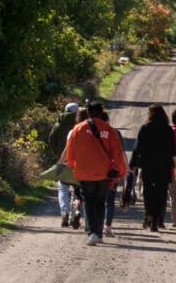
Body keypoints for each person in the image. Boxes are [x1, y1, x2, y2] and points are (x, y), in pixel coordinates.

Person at [66, 101, 128, 246]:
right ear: (101, 113)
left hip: (84, 172)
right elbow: (117, 154)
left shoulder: (78, 129)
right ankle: (98, 233)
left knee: (88, 201)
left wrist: (71, 165)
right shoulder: (109, 130)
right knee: (100, 202)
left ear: (88, 113)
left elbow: (70, 153)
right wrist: (121, 171)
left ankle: (92, 232)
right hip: (104, 173)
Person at [130, 104, 176, 232]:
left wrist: (132, 165)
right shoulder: (168, 130)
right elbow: (173, 151)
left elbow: (137, 149)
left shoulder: (145, 128)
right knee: (161, 194)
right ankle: (156, 220)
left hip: (148, 165)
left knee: (148, 192)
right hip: (164, 166)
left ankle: (149, 214)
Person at [53, 103, 80, 227]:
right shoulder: (80, 125)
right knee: (77, 189)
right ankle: (75, 211)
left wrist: (56, 153)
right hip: (79, 163)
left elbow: (51, 138)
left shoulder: (59, 123)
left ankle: (64, 213)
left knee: (62, 188)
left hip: (63, 161)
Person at [102, 112, 126, 238]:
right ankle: (107, 226)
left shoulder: (89, 133)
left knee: (96, 200)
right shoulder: (114, 133)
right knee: (110, 201)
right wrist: (125, 170)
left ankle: (94, 225)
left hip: (96, 171)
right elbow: (121, 153)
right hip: (112, 172)